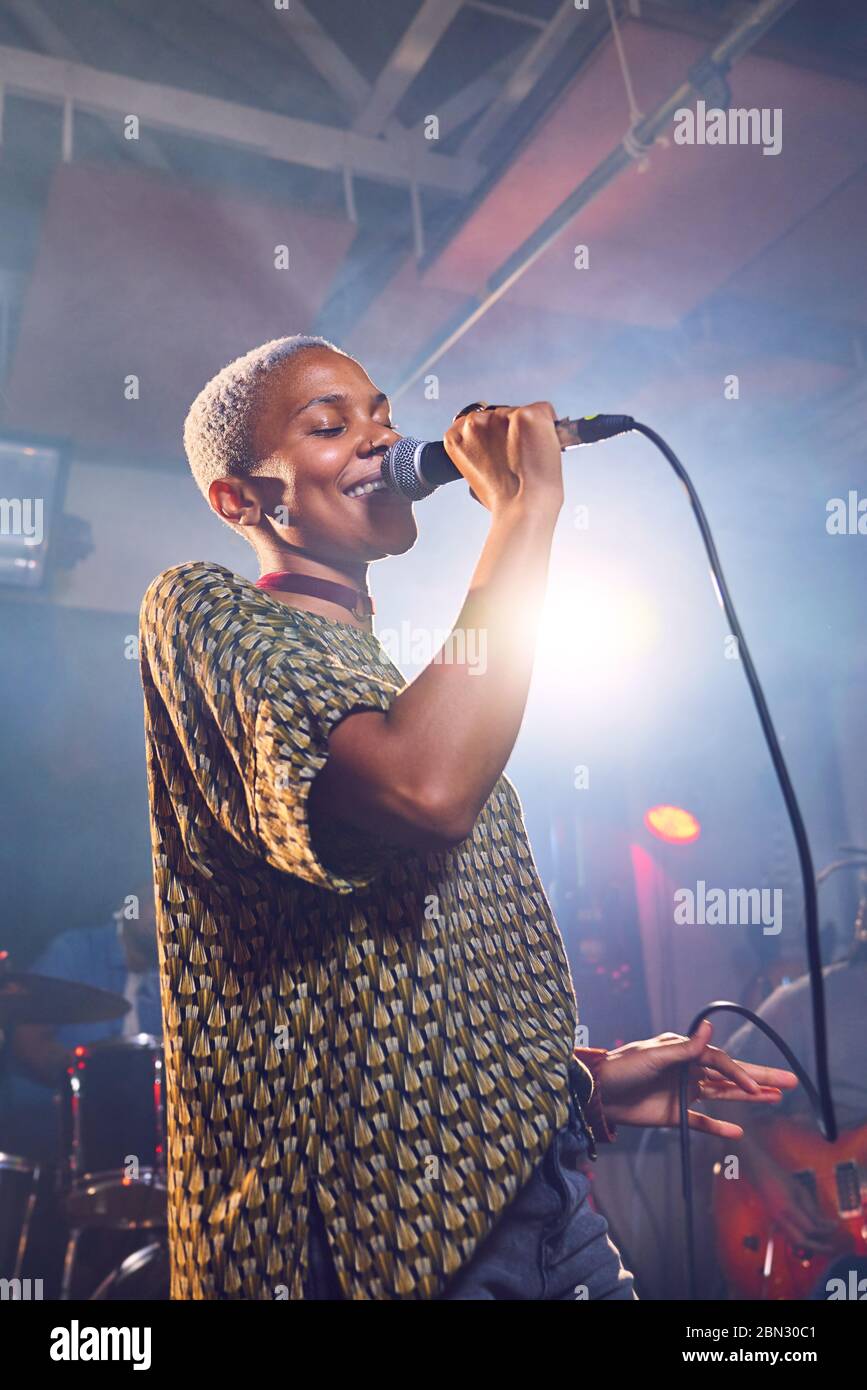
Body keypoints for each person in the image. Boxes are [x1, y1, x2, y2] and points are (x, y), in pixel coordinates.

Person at [139, 334, 797, 1300]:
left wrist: (579, 1083)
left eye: (380, 415)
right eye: (329, 426)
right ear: (241, 500)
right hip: (372, 1249)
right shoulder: (199, 609)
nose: (378, 439)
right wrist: (525, 512)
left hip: (538, 1213)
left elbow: (385, 998)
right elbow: (426, 790)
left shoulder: (401, 693)